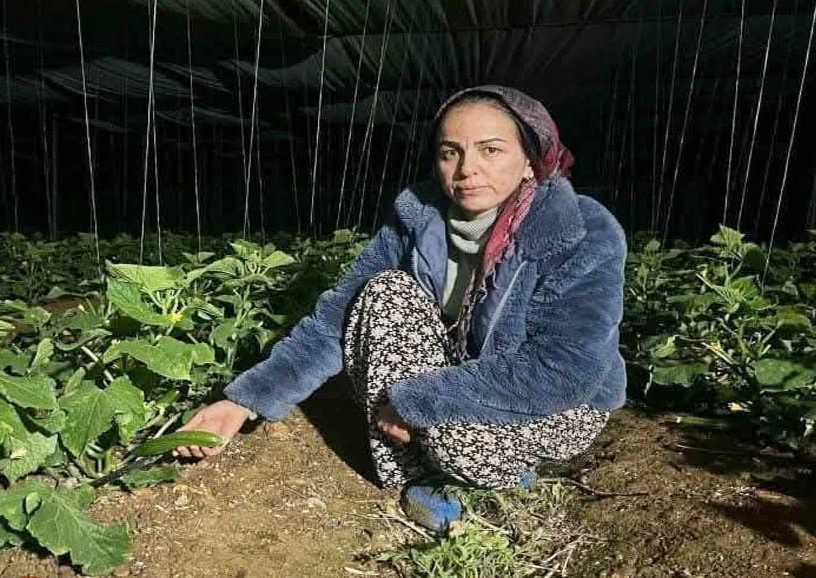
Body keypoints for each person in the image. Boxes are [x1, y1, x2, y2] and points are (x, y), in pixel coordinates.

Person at [171, 85, 627, 533]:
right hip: (459, 373)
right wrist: (244, 401)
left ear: (530, 158)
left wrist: (418, 401)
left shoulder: (579, 229)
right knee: (382, 291)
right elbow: (338, 315)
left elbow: (565, 369)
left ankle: (493, 475)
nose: (467, 169)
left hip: (561, 400)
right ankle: (420, 473)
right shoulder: (419, 217)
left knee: (457, 438)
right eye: (450, 152)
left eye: (490, 150)